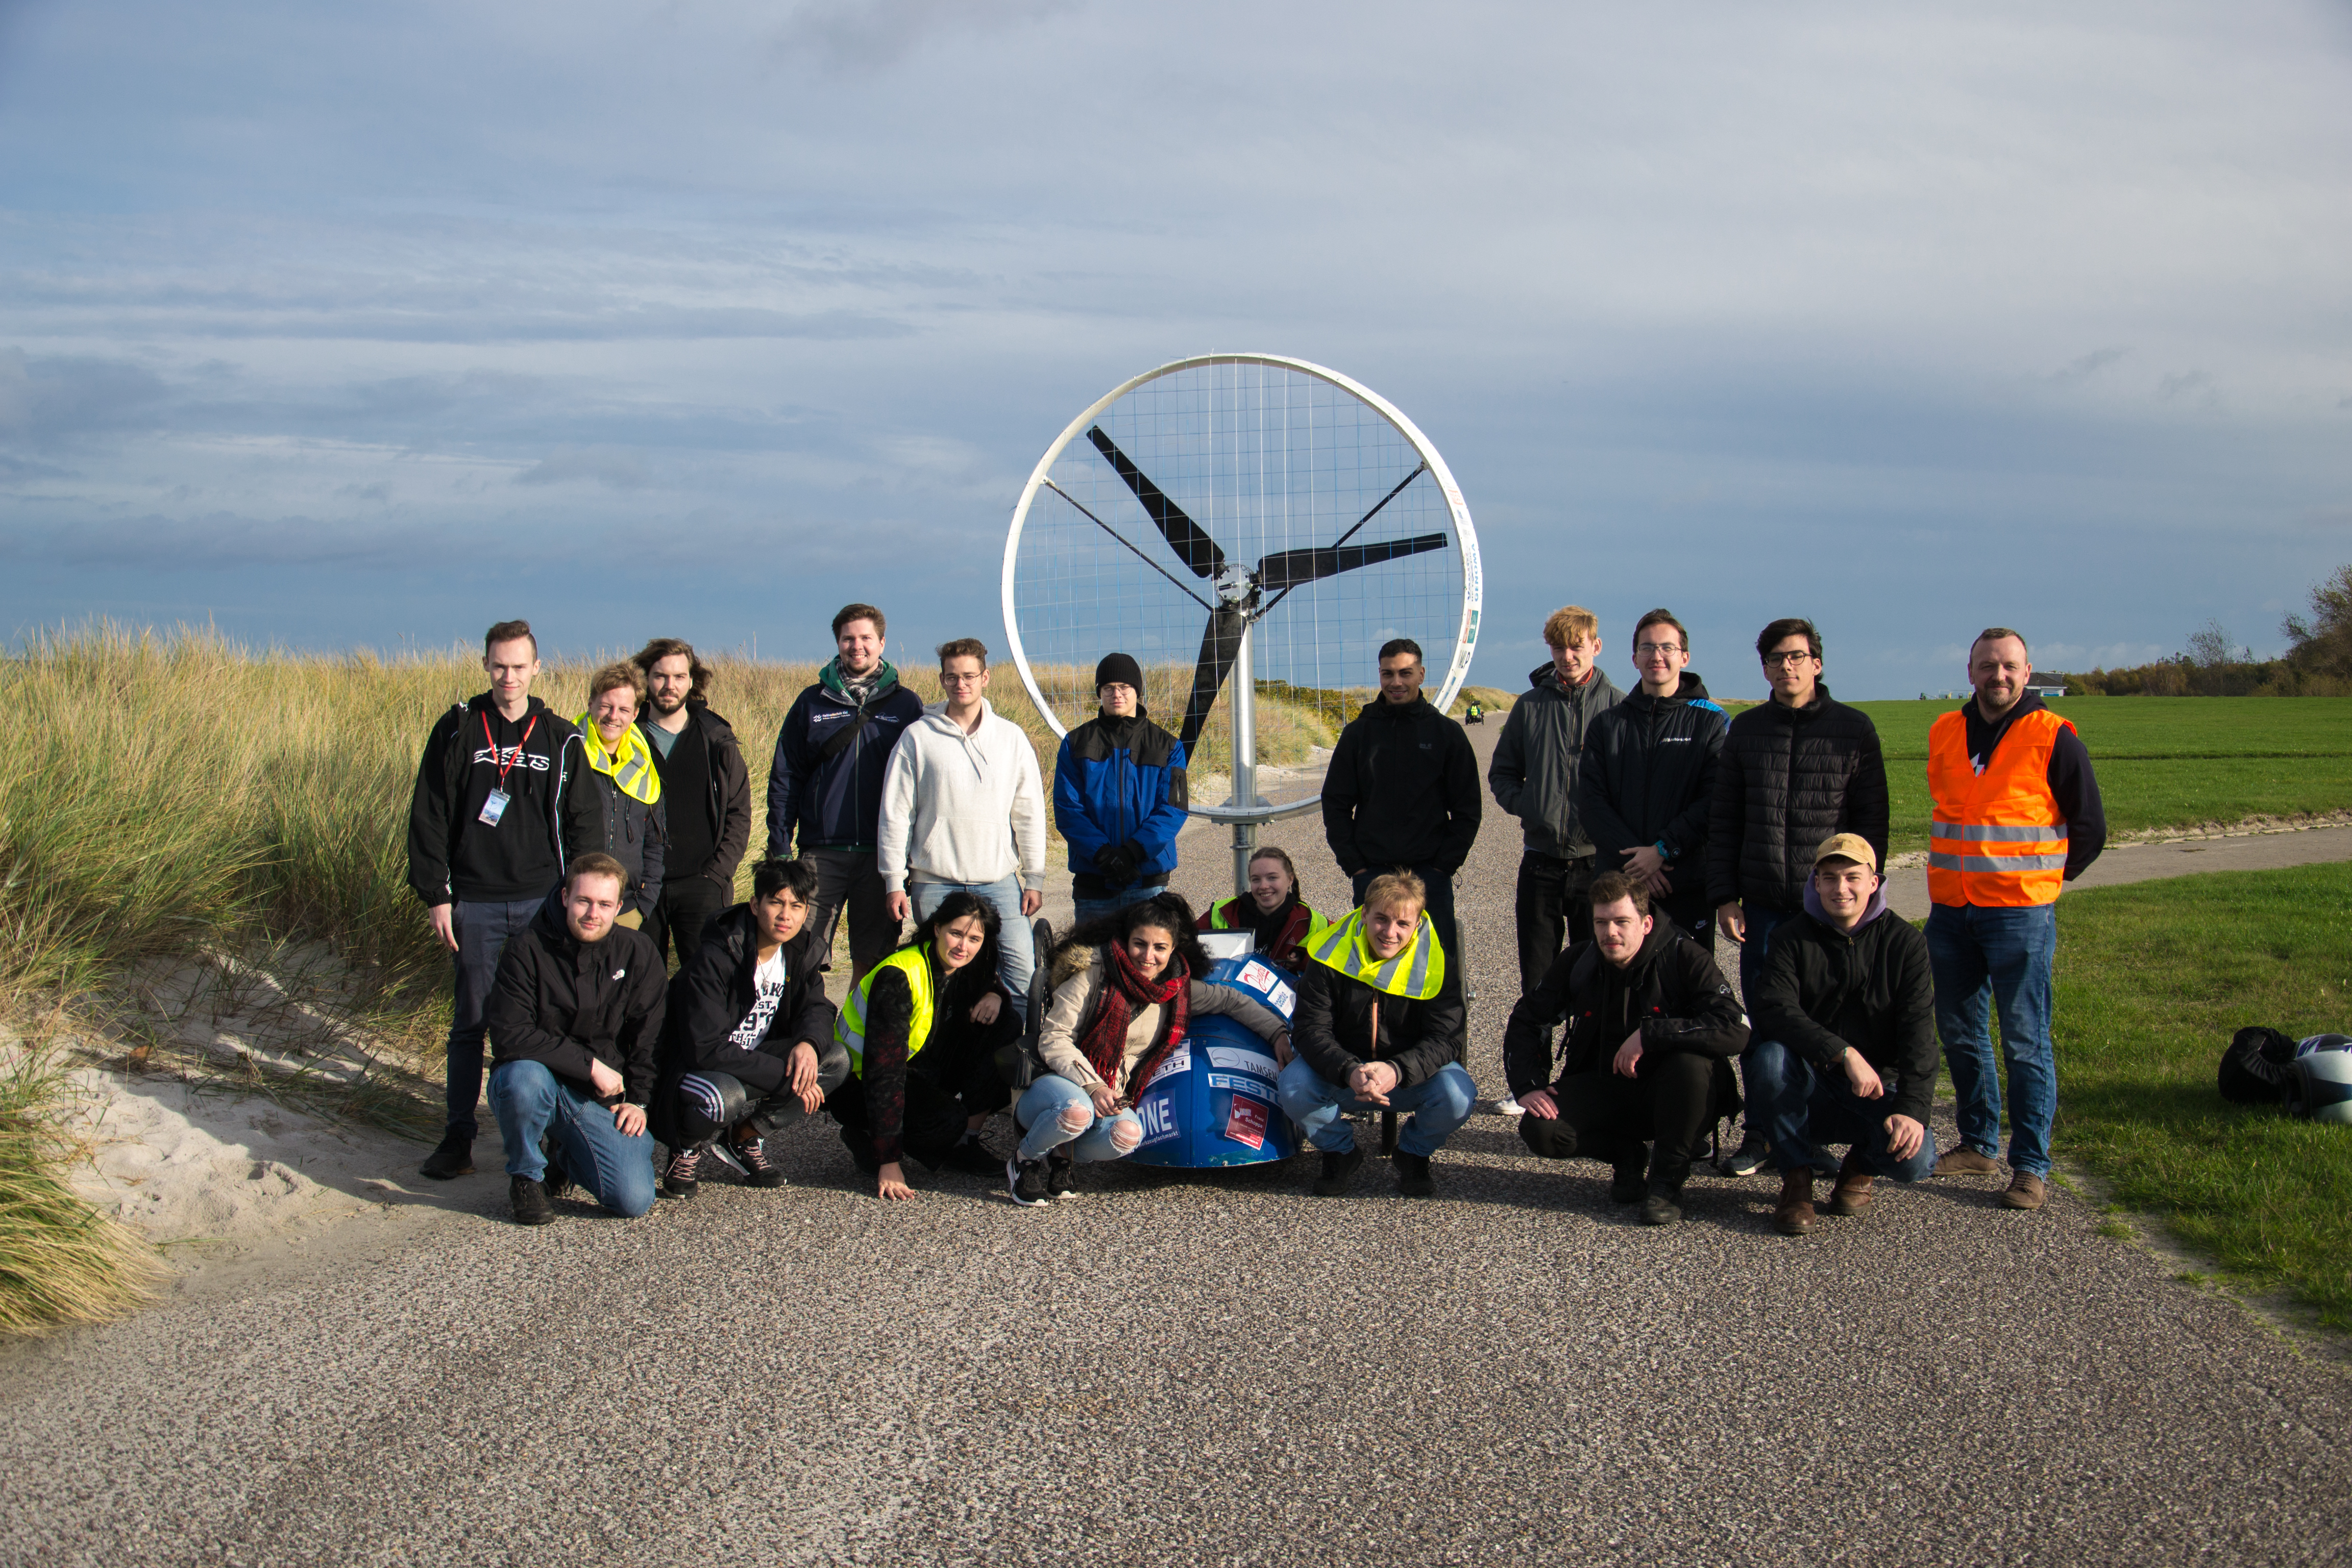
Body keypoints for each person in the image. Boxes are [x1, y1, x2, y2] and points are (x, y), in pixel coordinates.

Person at [1925, 628, 2105, 1212]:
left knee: (2025, 1042)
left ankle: (2030, 1165)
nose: (1997, 676)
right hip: (1952, 911)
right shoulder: (1945, 731)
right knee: (1960, 1033)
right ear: (1970, 671)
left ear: (2027, 673)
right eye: (1986, 666)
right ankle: (1978, 1142)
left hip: (2020, 914)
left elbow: (2090, 829)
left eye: (2008, 667)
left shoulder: (2054, 736)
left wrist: (2044, 882)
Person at [1705, 616, 1889, 1178]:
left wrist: (1860, 900)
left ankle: (1816, 1131)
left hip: (1829, 910)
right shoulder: (1747, 730)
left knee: (1829, 1022)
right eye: (1777, 658)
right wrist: (1725, 896)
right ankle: (1762, 1133)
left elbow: (1871, 825)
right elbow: (1726, 820)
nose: (1788, 666)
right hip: (1762, 907)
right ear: (1764, 667)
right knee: (1765, 1023)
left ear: (1818, 663)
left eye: (1798, 656)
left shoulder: (1853, 730)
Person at [405, 619, 581, 1181]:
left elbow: (583, 825)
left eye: (519, 666)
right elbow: (428, 813)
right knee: (472, 1021)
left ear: (537, 669)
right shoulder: (459, 728)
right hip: (475, 902)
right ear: (486, 665)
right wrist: (437, 895)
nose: (509, 676)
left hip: (541, 902)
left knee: (544, 1020)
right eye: (499, 666)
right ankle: (459, 1135)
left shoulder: (559, 737)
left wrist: (577, 901)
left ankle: (549, 1139)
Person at [1007, 894, 1292, 1205]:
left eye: (1160, 948)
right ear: (1125, 940)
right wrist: (1093, 1085)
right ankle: (1025, 1161)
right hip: (1055, 1080)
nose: (1148, 956)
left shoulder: (1175, 990)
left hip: (1109, 1090)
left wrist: (1277, 1033)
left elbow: (1230, 999)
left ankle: (1062, 1154)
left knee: (1128, 1136)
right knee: (1078, 1111)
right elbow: (1055, 1039)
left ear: (1173, 950)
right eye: (1139, 944)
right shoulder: (1092, 973)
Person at [1504, 872, 1748, 1225]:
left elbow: (1734, 1027)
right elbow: (1527, 1019)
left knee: (1690, 1066)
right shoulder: (1581, 960)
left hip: (1679, 1096)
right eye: (1601, 922)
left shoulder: (1684, 956)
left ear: (1646, 924)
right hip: (1609, 1084)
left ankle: (1666, 1183)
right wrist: (1528, 1084)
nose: (1610, 933)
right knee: (1541, 1129)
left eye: (1622, 922)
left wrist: (1651, 1035)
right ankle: (1627, 1156)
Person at [1745, 835, 1938, 1235]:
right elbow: (1774, 1011)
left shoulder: (1907, 944)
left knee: (1917, 1161)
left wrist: (1913, 1110)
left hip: (1875, 1090)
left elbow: (1920, 1037)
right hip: (1809, 1081)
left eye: (1852, 877)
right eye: (1829, 878)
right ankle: (1796, 1179)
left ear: (1875, 881)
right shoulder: (1789, 938)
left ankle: (1859, 1167)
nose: (1841, 889)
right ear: (1815, 883)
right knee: (1768, 1058)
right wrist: (1842, 1052)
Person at [1489, 605, 1626, 1106]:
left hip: (1598, 867)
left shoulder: (1618, 707)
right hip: (1542, 862)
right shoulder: (1530, 707)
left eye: (1577, 646)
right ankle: (1531, 1082)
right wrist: (1531, 807)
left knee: (1601, 974)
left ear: (1596, 645)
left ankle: (1589, 1081)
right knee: (1540, 979)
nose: (1568, 656)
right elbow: (1503, 773)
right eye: (1558, 647)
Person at [482, 853, 666, 1224]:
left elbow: (650, 1037)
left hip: (597, 1099)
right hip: (539, 1081)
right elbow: (510, 1035)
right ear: (565, 897)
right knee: (523, 1079)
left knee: (634, 1199)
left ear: (619, 907)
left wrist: (640, 1102)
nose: (592, 913)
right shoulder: (527, 949)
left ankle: (564, 1155)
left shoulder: (638, 952)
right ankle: (527, 1177)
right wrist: (590, 1066)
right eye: (583, 901)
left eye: (604, 904)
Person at [655, 857, 850, 1200]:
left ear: (806, 912)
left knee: (833, 1059)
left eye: (796, 906)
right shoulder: (717, 956)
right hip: (697, 1066)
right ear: (755, 904)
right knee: (724, 1098)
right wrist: (787, 1076)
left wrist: (807, 1043)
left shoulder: (800, 950)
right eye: (775, 902)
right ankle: (685, 1149)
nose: (785, 915)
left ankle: (743, 1136)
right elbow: (707, 1048)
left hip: (751, 1057)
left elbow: (818, 1006)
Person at [1278, 871, 1476, 1198]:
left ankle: (1413, 1153)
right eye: (1381, 919)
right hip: (1343, 1074)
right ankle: (1340, 1151)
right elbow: (1310, 1028)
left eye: (1402, 924)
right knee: (1293, 1087)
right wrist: (1349, 1069)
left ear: (1418, 925)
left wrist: (1396, 1069)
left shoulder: (1437, 964)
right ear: (1365, 914)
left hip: (1408, 1075)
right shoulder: (1328, 955)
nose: (1390, 932)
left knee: (1458, 1096)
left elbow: (1446, 1038)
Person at [878, 638, 1048, 1020]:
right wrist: (893, 880)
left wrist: (1034, 876)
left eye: (970, 676)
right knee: (942, 981)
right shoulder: (918, 737)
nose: (961, 684)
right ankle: (940, 1066)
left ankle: (1020, 1064)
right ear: (942, 680)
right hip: (935, 882)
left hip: (998, 880)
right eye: (952, 677)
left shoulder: (1011, 738)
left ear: (985, 677)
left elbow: (1029, 812)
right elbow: (896, 813)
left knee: (1022, 976)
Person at [766, 603, 925, 981]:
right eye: (848, 638)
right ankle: (807, 1035)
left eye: (866, 638)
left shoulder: (906, 705)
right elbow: (786, 776)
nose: (858, 646)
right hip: (821, 853)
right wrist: (779, 847)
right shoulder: (811, 702)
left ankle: (854, 1039)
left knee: (871, 961)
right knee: (799, 955)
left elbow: (922, 784)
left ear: (882, 642)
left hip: (881, 857)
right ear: (837, 643)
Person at [831, 891, 1025, 1199]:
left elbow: (985, 986)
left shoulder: (962, 964)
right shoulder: (899, 975)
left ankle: (965, 1143)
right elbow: (884, 1073)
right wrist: (889, 1159)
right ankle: (868, 1136)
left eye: (974, 939)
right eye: (956, 934)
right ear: (937, 929)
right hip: (857, 1085)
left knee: (1008, 1026)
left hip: (918, 1067)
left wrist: (996, 995)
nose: (964, 946)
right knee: (946, 1122)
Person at [1320, 639, 1481, 963]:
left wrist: (1443, 866)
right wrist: (1356, 865)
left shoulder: (1446, 733)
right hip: (1373, 873)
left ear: (1421, 674)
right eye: (1388, 674)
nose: (1396, 682)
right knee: (1372, 967)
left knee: (1437, 967)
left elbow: (1467, 809)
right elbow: (1335, 803)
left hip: (1429, 874)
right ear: (1379, 675)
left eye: (1405, 673)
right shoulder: (1358, 734)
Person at [1576, 608, 1726, 947]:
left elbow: (1714, 799)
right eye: (1647, 648)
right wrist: (1638, 863)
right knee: (1616, 989)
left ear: (1684, 657)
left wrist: (1662, 850)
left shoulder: (1711, 723)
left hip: (1682, 883)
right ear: (1634, 658)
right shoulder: (1608, 725)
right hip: (1618, 885)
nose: (1656, 656)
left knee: (1685, 985)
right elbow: (1591, 803)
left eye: (1667, 648)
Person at [632, 637, 752, 969]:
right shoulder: (627, 736)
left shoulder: (715, 737)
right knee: (642, 986)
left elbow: (739, 813)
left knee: (704, 986)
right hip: (640, 884)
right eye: (660, 676)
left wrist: (718, 874)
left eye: (679, 677)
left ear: (692, 680)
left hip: (702, 884)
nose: (670, 685)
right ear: (646, 679)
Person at [1052, 652, 1190, 924]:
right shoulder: (1075, 743)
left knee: (1147, 964)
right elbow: (1068, 809)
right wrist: (1104, 856)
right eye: (1109, 688)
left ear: (1137, 691)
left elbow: (1173, 810)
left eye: (1124, 687)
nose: (1117, 694)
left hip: (1148, 884)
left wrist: (1132, 853)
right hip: (1094, 885)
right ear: (1099, 693)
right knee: (1090, 965)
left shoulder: (1169, 746)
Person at [564, 662, 666, 930]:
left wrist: (644, 906)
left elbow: (656, 844)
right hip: (573, 904)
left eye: (623, 709)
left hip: (626, 909)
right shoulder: (566, 754)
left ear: (634, 714)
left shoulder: (644, 764)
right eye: (606, 706)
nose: (613, 716)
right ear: (590, 703)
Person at [1195, 846, 1328, 970]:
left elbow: (1337, 959)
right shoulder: (1224, 912)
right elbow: (1184, 945)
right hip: (1230, 991)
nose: (1264, 886)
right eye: (1256, 880)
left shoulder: (1309, 920)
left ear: (1290, 879)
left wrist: (1303, 959)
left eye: (1272, 878)